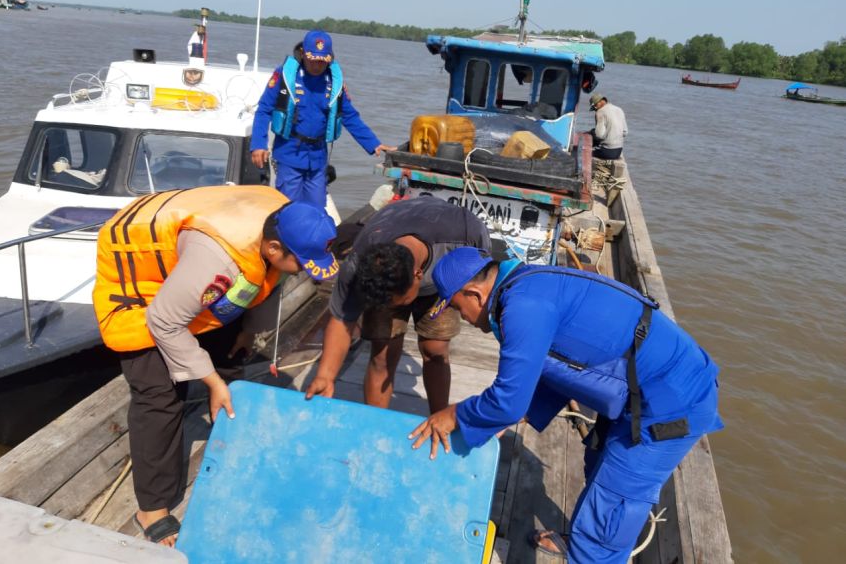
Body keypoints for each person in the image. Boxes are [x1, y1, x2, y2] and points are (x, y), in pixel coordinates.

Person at [409, 247, 723, 563]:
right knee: (596, 461)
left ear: (474, 294)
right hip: (640, 389)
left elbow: (507, 400)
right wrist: (525, 412)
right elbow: (560, 361)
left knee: (607, 516)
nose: (462, 317)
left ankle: (593, 553)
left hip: (673, 402)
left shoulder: (523, 307)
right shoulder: (527, 283)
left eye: (457, 308)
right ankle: (582, 544)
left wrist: (455, 414)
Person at [92, 185, 339, 548]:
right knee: (158, 392)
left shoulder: (285, 223)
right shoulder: (218, 259)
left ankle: (224, 407)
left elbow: (268, 281)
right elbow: (162, 320)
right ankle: (152, 508)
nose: (308, 271)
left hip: (191, 262)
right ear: (273, 248)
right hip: (135, 271)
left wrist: (250, 331)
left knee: (228, 335)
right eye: (302, 262)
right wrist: (211, 381)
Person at [305, 197, 491, 414]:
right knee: (382, 355)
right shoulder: (360, 262)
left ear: (418, 275)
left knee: (435, 350)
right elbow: (341, 318)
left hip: (447, 277)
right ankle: (375, 421)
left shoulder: (466, 236)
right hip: (391, 251)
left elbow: (481, 281)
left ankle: (438, 417)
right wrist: (325, 376)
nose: (390, 308)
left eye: (396, 303)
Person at [250, 30, 396, 208]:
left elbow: (349, 116)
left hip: (318, 157)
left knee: (317, 208)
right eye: (313, 59)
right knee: (289, 209)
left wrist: (374, 144)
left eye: (322, 61)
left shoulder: (334, 82)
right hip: (290, 153)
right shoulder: (284, 76)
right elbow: (264, 110)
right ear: (303, 53)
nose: (317, 66)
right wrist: (258, 144)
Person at [588, 92, 628, 160]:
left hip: (607, 152)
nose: (595, 110)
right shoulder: (619, 109)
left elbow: (599, 135)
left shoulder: (600, 112)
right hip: (618, 151)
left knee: (586, 148)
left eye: (594, 108)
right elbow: (625, 132)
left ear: (598, 104)